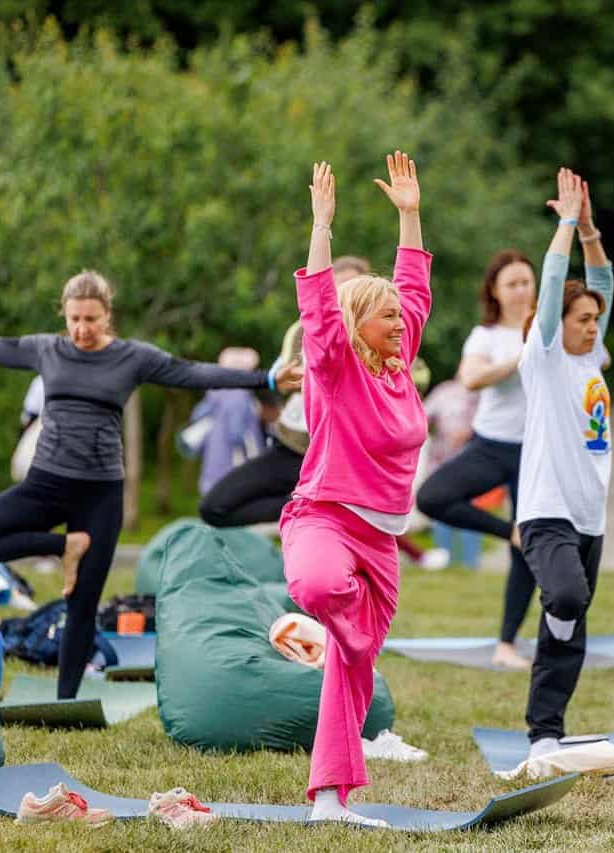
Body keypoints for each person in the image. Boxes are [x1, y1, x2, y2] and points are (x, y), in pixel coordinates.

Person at [0, 273, 302, 699]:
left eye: (92, 319)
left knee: (83, 603)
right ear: (63, 315)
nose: (82, 329)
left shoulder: (131, 357)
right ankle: (64, 546)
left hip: (100, 493)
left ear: (108, 315)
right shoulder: (48, 349)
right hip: (45, 485)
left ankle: (66, 699)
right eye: (75, 319)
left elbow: (189, 373)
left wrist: (264, 380)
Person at [282, 153, 430, 826]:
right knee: (316, 587)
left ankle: (330, 799)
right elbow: (317, 310)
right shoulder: (339, 367)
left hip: (383, 541)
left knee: (356, 661)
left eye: (402, 319)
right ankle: (319, 627)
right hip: (325, 518)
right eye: (388, 319)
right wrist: (322, 226)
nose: (402, 325)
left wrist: (409, 215)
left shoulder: (399, 364)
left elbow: (415, 287)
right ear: (358, 324)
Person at [517, 167, 614, 763]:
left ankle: (545, 730)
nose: (592, 326)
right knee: (567, 600)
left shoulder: (592, 357)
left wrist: (588, 230)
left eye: (595, 321)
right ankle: (542, 718)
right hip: (547, 511)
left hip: (589, 517)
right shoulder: (546, 356)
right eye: (583, 319)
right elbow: (555, 286)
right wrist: (560, 227)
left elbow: (599, 279)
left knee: (570, 619)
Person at [416, 246, 539, 668]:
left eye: (527, 281)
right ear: (496, 291)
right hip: (489, 445)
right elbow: (470, 377)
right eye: (513, 284)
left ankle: (507, 645)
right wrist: (519, 356)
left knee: (530, 548)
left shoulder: (548, 327)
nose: (522, 290)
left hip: (535, 452)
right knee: (431, 497)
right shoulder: (485, 336)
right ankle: (509, 531)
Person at [197, 258, 372, 530]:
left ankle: (324, 514)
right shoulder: (304, 329)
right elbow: (289, 379)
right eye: (336, 287)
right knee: (214, 507)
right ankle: (307, 508)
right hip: (289, 447)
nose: (341, 294)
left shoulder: (374, 335)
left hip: (333, 460)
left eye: (352, 287)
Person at [421, 378, 483, 568]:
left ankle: (470, 564)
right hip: (441, 462)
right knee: (441, 509)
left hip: (471, 463)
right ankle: (443, 560)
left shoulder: (483, 394)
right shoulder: (444, 391)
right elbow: (423, 416)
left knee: (469, 512)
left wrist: (470, 431)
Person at [189, 348, 266, 497]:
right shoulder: (240, 395)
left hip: (211, 463)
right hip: (231, 468)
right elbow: (236, 434)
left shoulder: (214, 391)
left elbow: (196, 416)